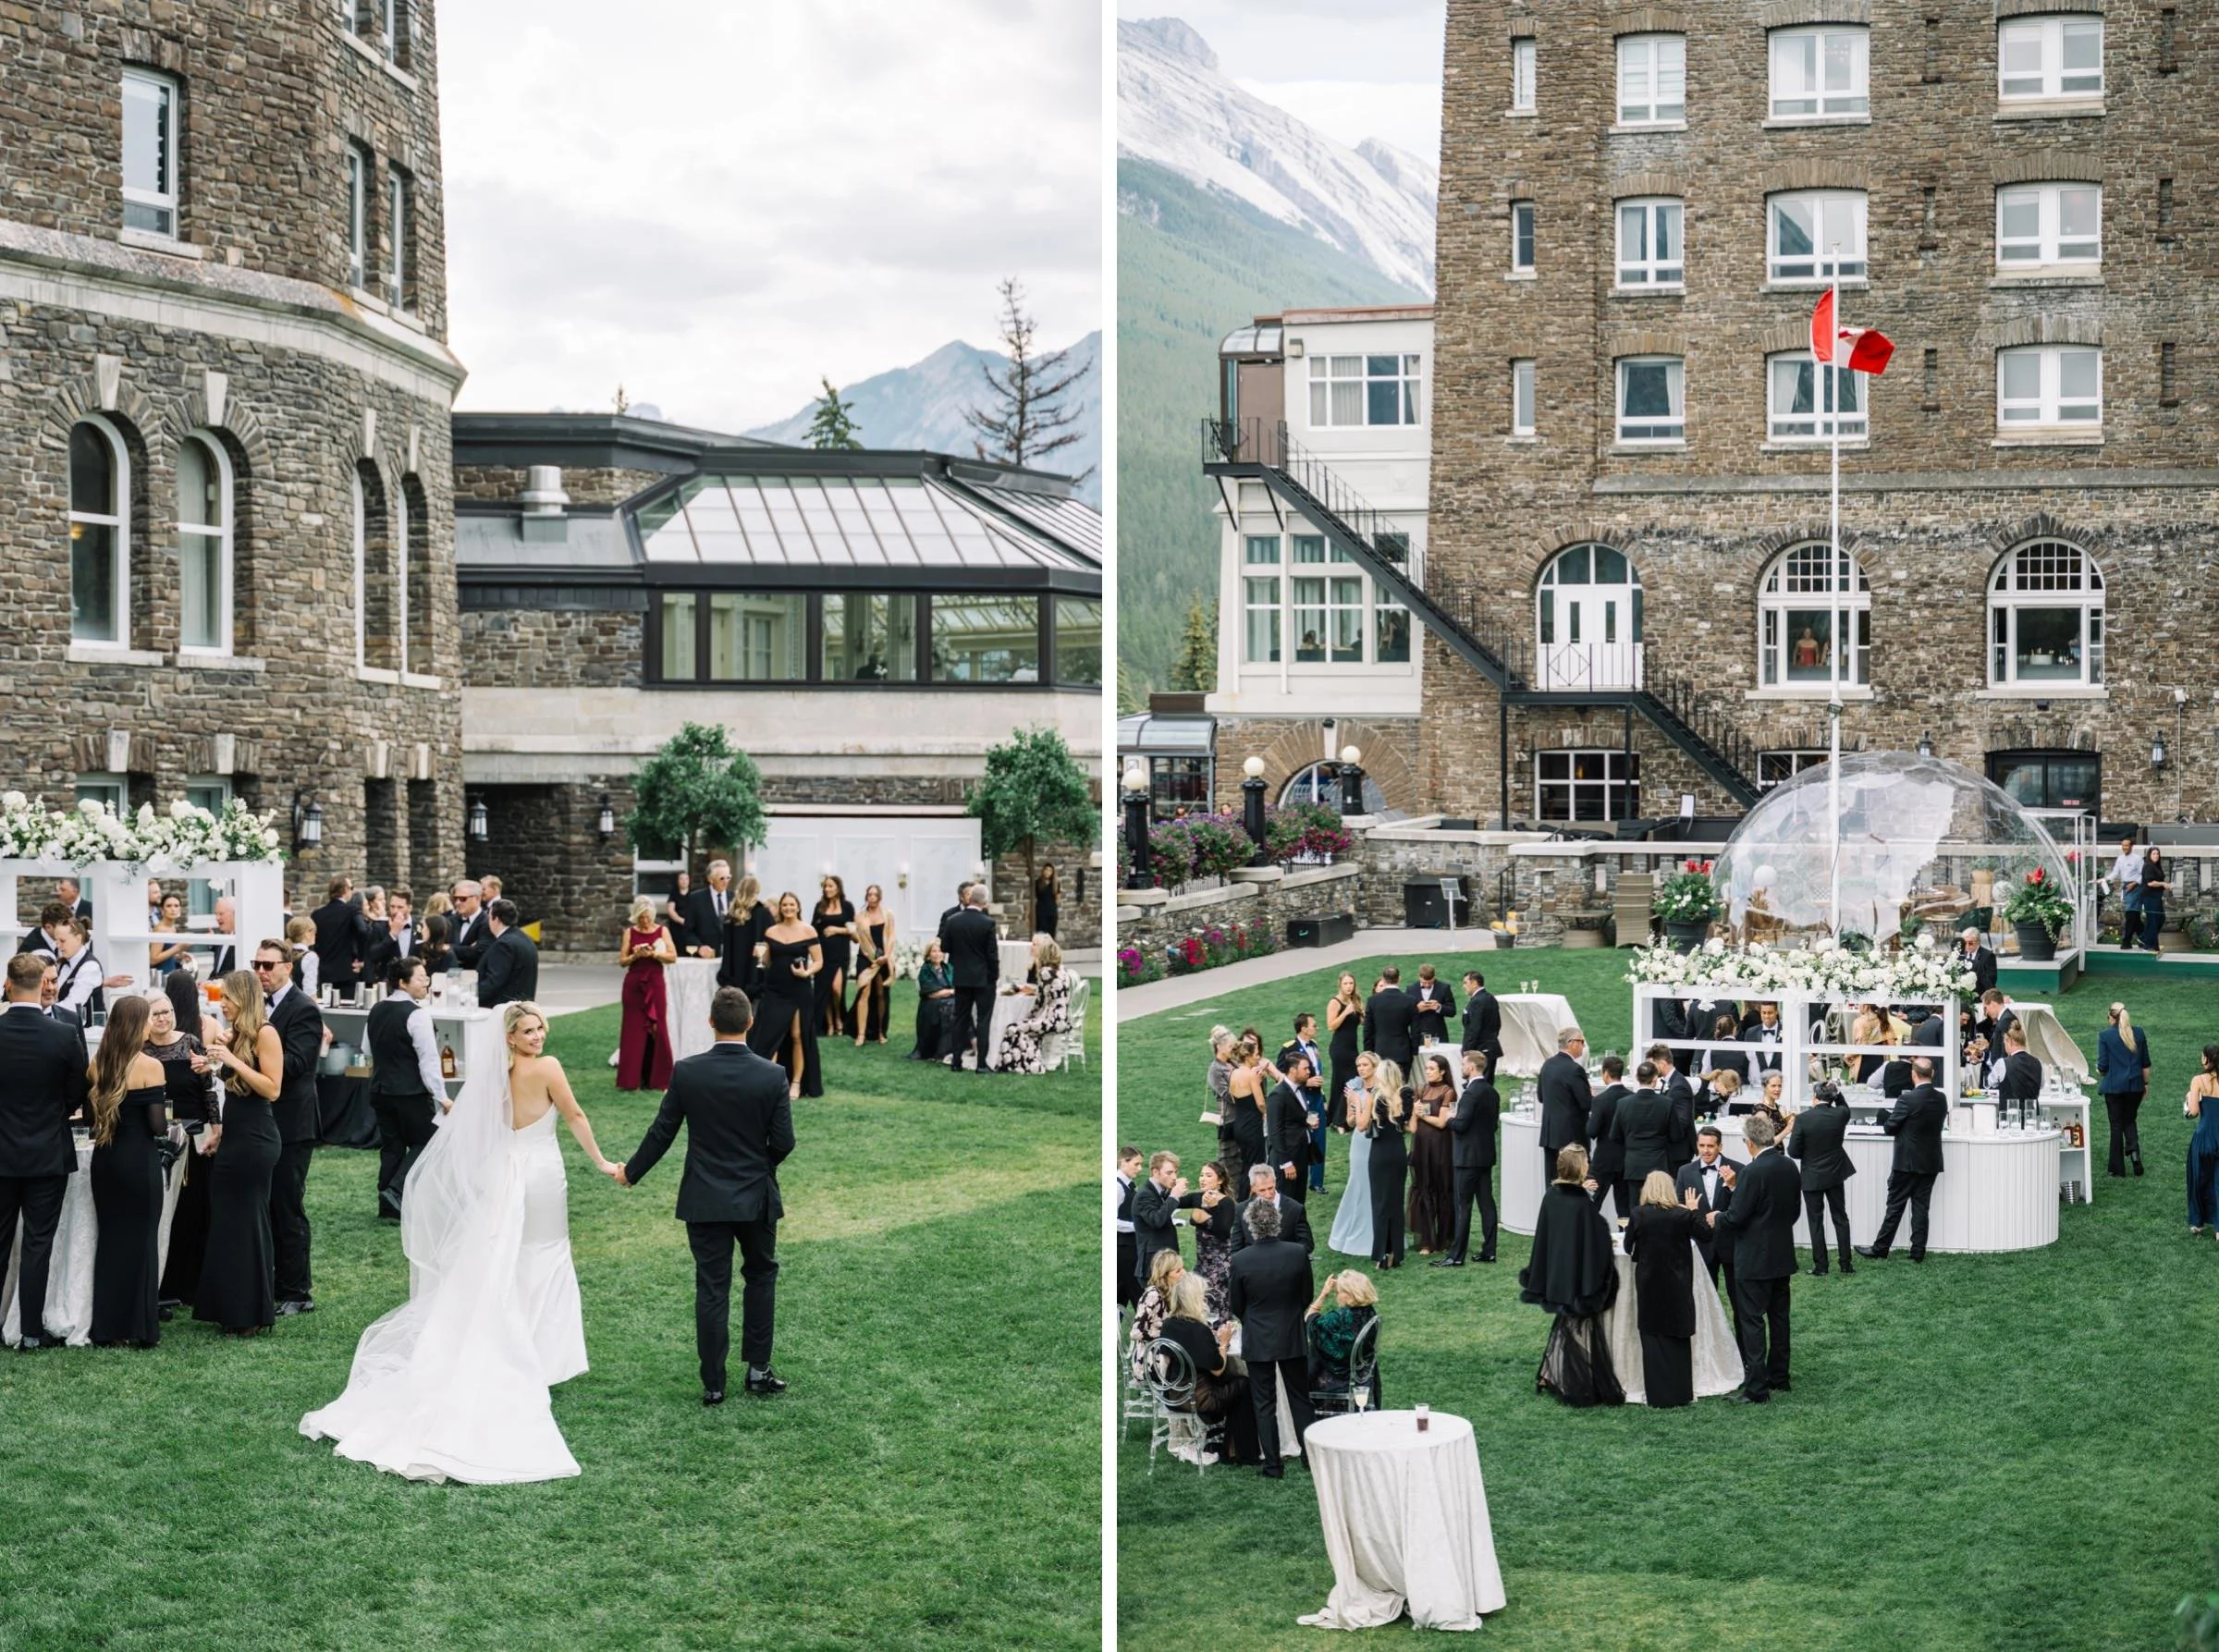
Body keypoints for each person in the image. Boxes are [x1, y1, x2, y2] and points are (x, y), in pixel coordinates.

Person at [302, 1001, 619, 1476]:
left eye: (540, 1030)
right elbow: (574, 1115)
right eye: (528, 1031)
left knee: (503, 1258)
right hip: (538, 1175)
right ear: (510, 1037)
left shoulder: (491, 1078)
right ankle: (535, 1353)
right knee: (544, 1256)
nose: (538, 1038)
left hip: (502, 1172)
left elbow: (478, 1132)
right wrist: (601, 1163)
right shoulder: (549, 1069)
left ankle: (527, 1347)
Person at [615, 986, 796, 1401]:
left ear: (711, 1022)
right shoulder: (772, 1075)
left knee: (712, 1287)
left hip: (705, 1196)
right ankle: (757, 1370)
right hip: (756, 1197)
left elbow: (663, 1132)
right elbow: (784, 1142)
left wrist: (632, 1173)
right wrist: (759, 1167)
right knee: (760, 1276)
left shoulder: (688, 1071)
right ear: (750, 1023)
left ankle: (714, 1384)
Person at [0, 952, 89, 1349]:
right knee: (38, 1243)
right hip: (47, 1151)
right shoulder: (63, 1034)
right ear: (42, 986)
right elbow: (78, 1091)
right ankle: (31, 1332)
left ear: (7, 985)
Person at [193, 967, 284, 1336]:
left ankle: (250, 1313)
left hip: (257, 1139)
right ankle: (227, 1307)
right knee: (228, 1223)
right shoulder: (239, 1035)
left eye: (227, 997)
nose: (222, 1004)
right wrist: (211, 1068)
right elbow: (236, 1089)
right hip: (235, 1136)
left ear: (243, 998)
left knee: (247, 1222)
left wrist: (231, 1061)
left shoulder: (266, 1033)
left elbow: (271, 1088)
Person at [85, 995, 167, 1347]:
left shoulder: (97, 1063)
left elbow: (91, 1118)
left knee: (112, 1243)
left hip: (105, 1161)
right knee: (142, 1243)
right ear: (137, 1024)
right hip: (138, 1163)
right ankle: (140, 1327)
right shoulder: (150, 1066)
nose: (152, 1024)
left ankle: (108, 1327)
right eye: (148, 1018)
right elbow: (158, 1126)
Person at [1519, 1144, 1623, 1407]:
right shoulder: (1579, 1203)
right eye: (1585, 1161)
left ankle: (1547, 1372)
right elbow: (1595, 1235)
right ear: (1580, 1167)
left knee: (1567, 1320)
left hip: (1558, 1270)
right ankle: (1570, 1379)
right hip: (1577, 1273)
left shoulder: (1552, 1195)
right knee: (1577, 1324)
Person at [1227, 1198, 1316, 1479]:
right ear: (1277, 1222)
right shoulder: (1297, 1253)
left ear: (1251, 1227)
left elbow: (1236, 1303)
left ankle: (1273, 1465)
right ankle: (1310, 1458)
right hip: (1291, 1333)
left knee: (1263, 1403)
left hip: (1258, 1335)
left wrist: (1252, 1319)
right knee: (1300, 1397)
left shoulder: (1241, 1260)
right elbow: (1306, 1296)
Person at [1717, 1111, 1799, 1402]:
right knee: (1779, 1319)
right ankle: (1779, 1377)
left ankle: (1755, 1388)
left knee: (1751, 1321)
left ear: (1750, 1143)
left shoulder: (1752, 1171)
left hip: (1754, 1258)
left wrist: (1718, 1217)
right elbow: (1792, 1212)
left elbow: (1737, 1216)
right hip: (1781, 1254)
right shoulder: (1789, 1166)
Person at [367, 956, 449, 1219]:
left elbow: (366, 1049)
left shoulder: (377, 1009)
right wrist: (442, 1097)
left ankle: (388, 1206)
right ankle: (396, 1190)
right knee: (427, 1141)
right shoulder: (417, 1014)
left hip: (380, 1090)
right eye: (421, 978)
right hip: (410, 1093)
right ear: (403, 982)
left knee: (392, 1147)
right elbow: (428, 1060)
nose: (426, 982)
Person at [149, 988, 216, 1312]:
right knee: (163, 1213)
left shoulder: (189, 1041)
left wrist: (216, 1127)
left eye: (167, 1011)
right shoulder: (142, 1048)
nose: (163, 1018)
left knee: (193, 1210)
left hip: (192, 1137)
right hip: (156, 1140)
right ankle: (163, 1281)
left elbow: (209, 1090)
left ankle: (191, 1283)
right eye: (156, 1013)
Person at [1621, 1170, 1707, 1408]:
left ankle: (1658, 1394)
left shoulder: (1639, 1214)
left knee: (1652, 1335)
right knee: (1677, 1333)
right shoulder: (1681, 1215)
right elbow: (1707, 1235)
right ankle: (1680, 1392)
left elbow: (1628, 1247)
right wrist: (1692, 1211)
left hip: (1649, 1283)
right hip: (1678, 1282)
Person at [1857, 1057, 1949, 1264]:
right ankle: (1918, 1251)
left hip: (1906, 1162)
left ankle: (1881, 1248)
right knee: (1921, 1207)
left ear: (1913, 1075)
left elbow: (1890, 1127)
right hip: (1931, 1161)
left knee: (1895, 1206)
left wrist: (1885, 1117)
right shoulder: (1941, 1099)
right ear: (1932, 1074)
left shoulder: (1907, 1100)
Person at [747, 893, 824, 1101]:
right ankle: (769, 1081)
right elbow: (768, 961)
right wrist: (760, 956)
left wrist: (806, 973)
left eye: (792, 904)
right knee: (771, 1035)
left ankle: (796, 1083)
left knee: (798, 1036)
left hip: (799, 989)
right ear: (780, 908)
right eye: (784, 905)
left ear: (797, 907)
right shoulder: (771, 931)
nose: (788, 908)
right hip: (775, 990)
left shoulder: (808, 930)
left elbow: (818, 961)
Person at [1785, 1078, 1856, 1275]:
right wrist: (1836, 1090)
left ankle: (1821, 1266)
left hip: (1812, 1175)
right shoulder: (1841, 1114)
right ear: (1832, 1098)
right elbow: (1843, 1104)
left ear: (1814, 1097)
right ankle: (1845, 1264)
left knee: (1815, 1221)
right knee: (1840, 1218)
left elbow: (1793, 1152)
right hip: (1835, 1174)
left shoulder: (1803, 1119)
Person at [1437, 1048, 1500, 1267]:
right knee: (1486, 1204)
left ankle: (1456, 1255)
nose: (1462, 1068)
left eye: (1463, 1065)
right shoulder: (1492, 1092)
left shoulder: (1471, 1094)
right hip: (1485, 1155)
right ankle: (1489, 1251)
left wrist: (1450, 1118)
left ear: (1471, 1067)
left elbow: (1461, 1126)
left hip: (1467, 1158)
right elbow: (1493, 1126)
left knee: (1463, 1205)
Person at [617, 897, 678, 1092]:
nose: (645, 921)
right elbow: (623, 961)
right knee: (633, 1031)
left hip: (655, 983)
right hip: (634, 985)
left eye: (648, 917)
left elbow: (672, 957)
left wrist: (653, 954)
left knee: (658, 1028)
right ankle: (630, 1080)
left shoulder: (662, 931)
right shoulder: (630, 932)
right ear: (636, 916)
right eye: (641, 918)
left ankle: (659, 1079)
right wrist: (635, 955)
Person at [938, 885, 999, 1076]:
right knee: (983, 1020)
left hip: (961, 977)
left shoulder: (953, 920)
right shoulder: (988, 923)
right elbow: (992, 955)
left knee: (960, 1019)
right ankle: (981, 1064)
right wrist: (994, 976)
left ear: (970, 898)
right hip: (983, 979)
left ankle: (956, 1061)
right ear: (984, 902)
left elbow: (946, 946)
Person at [991, 934, 1073, 1073]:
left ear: (1042, 949)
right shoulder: (1060, 968)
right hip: (1062, 1018)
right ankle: (1019, 1062)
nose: (1031, 947)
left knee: (1013, 1028)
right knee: (1020, 1026)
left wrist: (1029, 1017)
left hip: (1052, 1020)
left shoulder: (1045, 972)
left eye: (1034, 945)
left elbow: (1040, 1002)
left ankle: (1026, 1064)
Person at [1675, 1125, 1740, 1295]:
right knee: (1704, 1299)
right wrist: (1689, 1211)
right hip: (1700, 1243)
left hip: (1731, 1243)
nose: (1705, 1150)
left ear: (1720, 1146)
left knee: (1739, 1299)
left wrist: (1733, 1187)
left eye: (1710, 1146)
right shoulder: (1685, 1171)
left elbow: (1743, 1207)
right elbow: (1678, 1207)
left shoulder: (1738, 1169)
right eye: (1701, 1146)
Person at [1328, 1051, 1379, 1259]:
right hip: (1359, 1141)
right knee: (1358, 1182)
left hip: (1378, 1141)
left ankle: (1377, 1231)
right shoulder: (1354, 1088)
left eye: (1365, 1065)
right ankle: (1351, 1232)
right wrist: (1355, 1108)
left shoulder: (1382, 1089)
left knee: (1375, 1184)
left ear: (1375, 1066)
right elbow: (1350, 1122)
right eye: (1359, 1065)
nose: (1361, 1068)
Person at [1405, 1052, 1456, 1254]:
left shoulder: (1448, 1091)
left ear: (1442, 1072)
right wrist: (1414, 1114)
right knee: (1423, 1188)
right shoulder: (1420, 1089)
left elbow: (1442, 1122)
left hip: (1440, 1147)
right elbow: (1412, 1127)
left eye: (1432, 1069)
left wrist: (1422, 1114)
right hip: (1420, 1145)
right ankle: (1426, 1240)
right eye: (1426, 1069)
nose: (1428, 1072)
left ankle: (1442, 1239)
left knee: (1441, 1189)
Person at [1305, 1268, 1379, 1404]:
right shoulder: (1370, 1312)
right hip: (1363, 1373)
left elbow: (1310, 1323)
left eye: (1338, 1292)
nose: (1336, 1296)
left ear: (1350, 1294)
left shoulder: (1338, 1318)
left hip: (1339, 1378)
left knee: (1312, 1351)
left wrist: (1323, 1294)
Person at [2095, 1001, 2151, 1178]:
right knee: (2130, 1119)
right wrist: (2145, 1084)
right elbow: (2145, 1064)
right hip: (2135, 1086)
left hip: (2114, 1088)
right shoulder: (2139, 1033)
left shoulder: (2105, 1036)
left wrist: (2099, 1069)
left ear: (2111, 1017)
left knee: (2116, 1124)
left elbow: (2103, 1067)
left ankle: (2117, 1168)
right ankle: (2134, 1154)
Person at [1180, 1158, 1239, 1317]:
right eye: (1201, 1175)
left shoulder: (1227, 1203)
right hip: (1201, 1264)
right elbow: (1174, 1202)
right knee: (1199, 1308)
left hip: (1219, 1267)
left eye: (1208, 1175)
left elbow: (1224, 1231)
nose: (1202, 1179)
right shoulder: (1198, 1198)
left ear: (1220, 1180)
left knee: (1218, 1309)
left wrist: (1209, 1211)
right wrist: (1173, 1188)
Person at [1278, 1013, 1330, 1193]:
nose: (1317, 1028)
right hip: (1300, 1097)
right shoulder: (1289, 1048)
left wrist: (1323, 1099)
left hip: (1315, 1098)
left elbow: (1318, 1072)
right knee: (1301, 1137)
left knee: (1319, 1138)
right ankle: (1298, 1173)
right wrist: (1305, 1082)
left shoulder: (1314, 1045)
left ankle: (1317, 1181)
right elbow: (1281, 1073)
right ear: (1303, 1028)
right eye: (1314, 1025)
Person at [1366, 1060, 1410, 1269]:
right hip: (1399, 1153)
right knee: (1395, 1203)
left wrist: (1358, 1102)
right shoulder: (1405, 1096)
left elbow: (1362, 1125)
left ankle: (1382, 1254)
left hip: (1380, 1154)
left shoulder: (1376, 1097)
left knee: (1380, 1204)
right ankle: (1396, 1253)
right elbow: (1410, 1127)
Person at [1612, 1059, 1678, 1191]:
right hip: (1659, 1163)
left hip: (1633, 1164)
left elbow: (1615, 1135)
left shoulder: (1623, 1103)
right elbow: (1676, 1135)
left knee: (1635, 1207)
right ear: (1655, 1078)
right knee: (1659, 1207)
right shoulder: (1667, 1103)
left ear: (1637, 1077)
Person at [1266, 1048, 1320, 1205]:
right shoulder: (1277, 1095)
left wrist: (1307, 1121)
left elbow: (1294, 1117)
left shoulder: (1300, 1088)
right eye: (1305, 1068)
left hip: (1301, 1154)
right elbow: (1275, 1132)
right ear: (1292, 1070)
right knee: (1286, 1203)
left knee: (1298, 1201)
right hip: (1287, 1160)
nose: (1309, 1072)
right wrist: (1286, 1163)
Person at [1538, 1026, 1593, 1177]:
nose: (1583, 1046)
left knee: (1552, 1181)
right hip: (1572, 1138)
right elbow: (1586, 1103)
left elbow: (1541, 1097)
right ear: (1572, 1043)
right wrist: (1590, 1094)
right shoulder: (1574, 1070)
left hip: (1550, 1135)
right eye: (1582, 1042)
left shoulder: (1547, 1065)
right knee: (1573, 1182)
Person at [1231, 1160, 1317, 1255]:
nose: (1268, 1194)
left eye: (1271, 1188)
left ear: (1275, 1183)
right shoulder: (1241, 1209)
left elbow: (1307, 1244)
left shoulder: (1295, 1209)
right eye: (1262, 1190)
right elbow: (1236, 1248)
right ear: (1253, 1188)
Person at [1127, 1247, 1186, 1385]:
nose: (1184, 1273)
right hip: (1151, 1359)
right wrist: (1167, 1335)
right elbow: (1136, 1332)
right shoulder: (1153, 1295)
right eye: (1178, 1271)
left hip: (1168, 1351)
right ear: (1164, 1275)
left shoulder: (1173, 1292)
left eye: (1183, 1268)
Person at [1584, 1053, 1632, 1221]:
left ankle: (1588, 1236)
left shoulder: (1600, 1100)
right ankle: (1625, 1239)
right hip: (1626, 1160)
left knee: (1592, 1202)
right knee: (1624, 1207)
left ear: (1605, 1073)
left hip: (1603, 1160)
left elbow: (1591, 1131)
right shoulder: (1631, 1098)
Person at [847, 885, 896, 1045]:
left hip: (883, 957)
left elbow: (891, 937)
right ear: (866, 897)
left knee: (881, 993)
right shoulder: (860, 916)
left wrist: (886, 956)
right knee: (864, 992)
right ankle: (861, 1034)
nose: (872, 898)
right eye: (869, 895)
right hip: (865, 957)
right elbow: (859, 939)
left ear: (880, 897)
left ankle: (881, 1031)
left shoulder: (888, 914)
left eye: (875, 895)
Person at [810, 875, 856, 1037]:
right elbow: (812, 929)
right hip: (823, 954)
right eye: (825, 887)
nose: (827, 889)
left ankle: (838, 1017)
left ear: (838, 887)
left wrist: (837, 930)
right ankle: (830, 1024)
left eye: (830, 886)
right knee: (825, 989)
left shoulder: (847, 906)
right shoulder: (820, 907)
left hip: (841, 953)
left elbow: (853, 931)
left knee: (837, 988)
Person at [1224, 1038, 1272, 1190]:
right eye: (1257, 1054)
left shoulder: (1232, 1074)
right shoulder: (1251, 1076)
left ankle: (1244, 1197)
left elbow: (1232, 1097)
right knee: (1255, 1167)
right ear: (1248, 1056)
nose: (1258, 1057)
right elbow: (1260, 1102)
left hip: (1239, 1125)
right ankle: (1248, 1198)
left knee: (1246, 1163)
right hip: (1253, 1126)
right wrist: (1266, 1114)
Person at [311, 876, 369, 999]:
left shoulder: (317, 914)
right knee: (347, 1011)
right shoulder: (352, 910)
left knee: (326, 1010)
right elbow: (363, 930)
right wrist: (361, 958)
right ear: (345, 889)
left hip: (324, 972)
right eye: (351, 888)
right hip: (347, 971)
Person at [1133, 1151, 1186, 1281]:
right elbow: (1156, 1220)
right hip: (1153, 1268)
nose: (1174, 1177)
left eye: (1175, 1172)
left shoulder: (1161, 1192)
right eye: (1169, 1173)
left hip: (1165, 1267)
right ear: (1156, 1172)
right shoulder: (1144, 1195)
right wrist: (1174, 1196)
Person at [476, 899, 539, 1010]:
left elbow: (494, 981)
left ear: (496, 919)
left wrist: (472, 998)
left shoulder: (504, 945)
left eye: (489, 917)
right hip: (523, 1006)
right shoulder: (525, 939)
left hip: (504, 1009)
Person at [2186, 1046, 2219, 1239]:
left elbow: (2193, 1112)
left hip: (2204, 1137)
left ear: (2206, 1060)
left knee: (2198, 1178)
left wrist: (2189, 1100)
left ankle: (2198, 1223)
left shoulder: (2198, 1080)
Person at [906, 937, 958, 1061]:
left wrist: (950, 992)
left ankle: (953, 1048)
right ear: (928, 955)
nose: (937, 954)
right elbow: (930, 993)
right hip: (931, 1005)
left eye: (940, 951)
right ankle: (940, 1052)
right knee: (949, 1007)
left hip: (948, 1001)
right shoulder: (926, 970)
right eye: (934, 951)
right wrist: (950, 991)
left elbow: (957, 986)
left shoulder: (948, 968)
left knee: (958, 1006)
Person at [1325, 973, 1363, 1131]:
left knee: (1341, 1082)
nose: (1349, 986)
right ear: (1340, 984)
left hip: (1352, 1047)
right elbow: (1331, 1026)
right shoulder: (1335, 1002)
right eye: (1346, 983)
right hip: (1340, 1048)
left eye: (1351, 983)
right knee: (1350, 1081)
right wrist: (1345, 1013)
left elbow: (1360, 1022)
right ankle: (1340, 1121)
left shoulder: (1355, 1000)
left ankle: (1335, 1116)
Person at [1363, 967, 1416, 1070]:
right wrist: (1414, 1050)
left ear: (1384, 979)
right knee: (1402, 1084)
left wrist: (1368, 1052)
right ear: (1399, 979)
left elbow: (1367, 1030)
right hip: (1403, 1052)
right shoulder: (1409, 1000)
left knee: (1382, 1085)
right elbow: (1416, 1028)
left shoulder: (1373, 1001)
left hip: (1380, 1052)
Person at [1112, 1146, 1143, 1311]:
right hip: (1123, 1248)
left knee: (1121, 1294)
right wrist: (1137, 1226)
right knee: (1138, 1294)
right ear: (1123, 1161)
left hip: (1130, 1246)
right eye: (1136, 1164)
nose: (1139, 1169)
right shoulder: (1117, 1187)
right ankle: (1147, 1331)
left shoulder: (1130, 1185)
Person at [1460, 970, 1502, 1083]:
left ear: (1474, 983)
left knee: (1479, 1083)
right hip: (1490, 1047)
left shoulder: (1477, 1001)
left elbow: (1474, 1029)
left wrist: (1467, 1051)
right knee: (1488, 1081)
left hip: (1479, 1050)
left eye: (1465, 982)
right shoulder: (1490, 998)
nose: (1464, 986)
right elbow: (1497, 1024)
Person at [2105, 836, 2145, 949]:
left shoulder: (2138, 859)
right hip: (2126, 887)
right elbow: (2115, 873)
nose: (2124, 848)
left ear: (2131, 846)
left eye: (2126, 845)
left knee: (2130, 914)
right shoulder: (2120, 859)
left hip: (2135, 888)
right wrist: (2104, 880)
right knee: (2135, 916)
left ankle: (2126, 941)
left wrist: (2134, 884)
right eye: (2123, 846)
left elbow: (2143, 875)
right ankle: (2145, 938)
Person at [448, 878, 491, 972]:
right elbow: (438, 948)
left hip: (475, 976)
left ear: (477, 898)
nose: (457, 903)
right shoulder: (450, 921)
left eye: (463, 899)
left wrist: (449, 948)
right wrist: (468, 949)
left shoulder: (487, 922)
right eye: (455, 899)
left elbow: (479, 952)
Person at [1409, 964, 1455, 1046]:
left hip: (1438, 1034)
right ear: (1419, 977)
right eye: (1424, 983)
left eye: (1430, 983)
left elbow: (1452, 1011)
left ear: (1434, 977)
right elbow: (1405, 1013)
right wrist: (1417, 1009)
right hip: (1418, 1035)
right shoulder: (1411, 989)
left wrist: (1438, 1007)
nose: (1427, 985)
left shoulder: (1444, 988)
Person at [149, 890, 190, 978]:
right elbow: (153, 959)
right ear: (162, 910)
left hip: (172, 974)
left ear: (180, 909)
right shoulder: (159, 929)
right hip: (160, 977)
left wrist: (179, 956)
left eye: (176, 906)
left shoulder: (173, 928)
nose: (173, 909)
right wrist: (178, 948)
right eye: (169, 906)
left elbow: (166, 953)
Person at [2139, 844, 2169, 954]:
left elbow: (2158, 882)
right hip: (2149, 897)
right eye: (2154, 854)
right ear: (2149, 855)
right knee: (2153, 920)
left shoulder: (2157, 866)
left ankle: (2144, 938)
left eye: (2157, 854)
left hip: (2157, 896)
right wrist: (2163, 884)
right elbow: (2150, 883)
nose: (2156, 855)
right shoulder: (2148, 866)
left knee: (2161, 918)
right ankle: (2150, 945)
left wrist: (2165, 886)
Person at [1958, 928, 1999, 997]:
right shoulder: (1961, 954)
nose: (1967, 945)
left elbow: (1991, 980)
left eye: (1970, 943)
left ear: (1978, 942)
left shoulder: (1988, 955)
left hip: (1981, 994)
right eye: (1965, 943)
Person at [1033, 863, 1060, 940]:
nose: (1048, 872)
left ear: (1053, 872)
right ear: (1043, 871)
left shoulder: (1056, 883)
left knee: (1051, 934)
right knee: (1041, 933)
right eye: (1046, 870)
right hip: (1041, 911)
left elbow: (1057, 898)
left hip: (1052, 911)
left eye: (1050, 871)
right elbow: (1034, 897)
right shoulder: (1037, 883)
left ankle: (1050, 951)